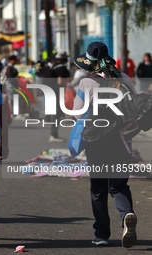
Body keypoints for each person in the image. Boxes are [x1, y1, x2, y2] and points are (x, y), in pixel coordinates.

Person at [73, 41, 137, 248]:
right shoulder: (124, 78)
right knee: (118, 186)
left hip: (96, 142)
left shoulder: (86, 83)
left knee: (99, 188)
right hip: (122, 140)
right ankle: (126, 214)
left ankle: (101, 234)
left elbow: (77, 114)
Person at [49, 51, 70, 142]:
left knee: (55, 113)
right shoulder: (61, 68)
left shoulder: (54, 66)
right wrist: (69, 81)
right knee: (56, 114)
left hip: (52, 91)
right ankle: (54, 134)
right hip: (57, 92)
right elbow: (60, 82)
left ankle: (54, 134)